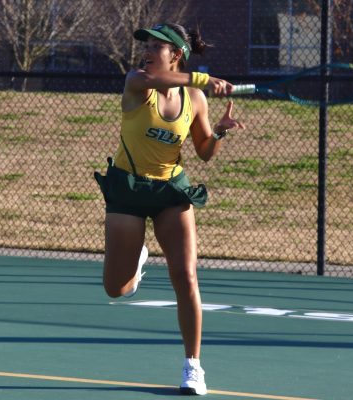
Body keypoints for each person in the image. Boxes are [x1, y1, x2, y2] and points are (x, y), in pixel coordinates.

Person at [94, 22, 244, 396]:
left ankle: (193, 367)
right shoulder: (136, 82)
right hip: (128, 189)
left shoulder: (194, 99)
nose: (146, 51)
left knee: (186, 277)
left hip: (170, 192)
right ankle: (138, 261)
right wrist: (204, 78)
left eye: (155, 46)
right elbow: (155, 79)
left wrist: (220, 132)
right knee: (116, 288)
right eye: (145, 44)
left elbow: (205, 153)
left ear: (175, 53)